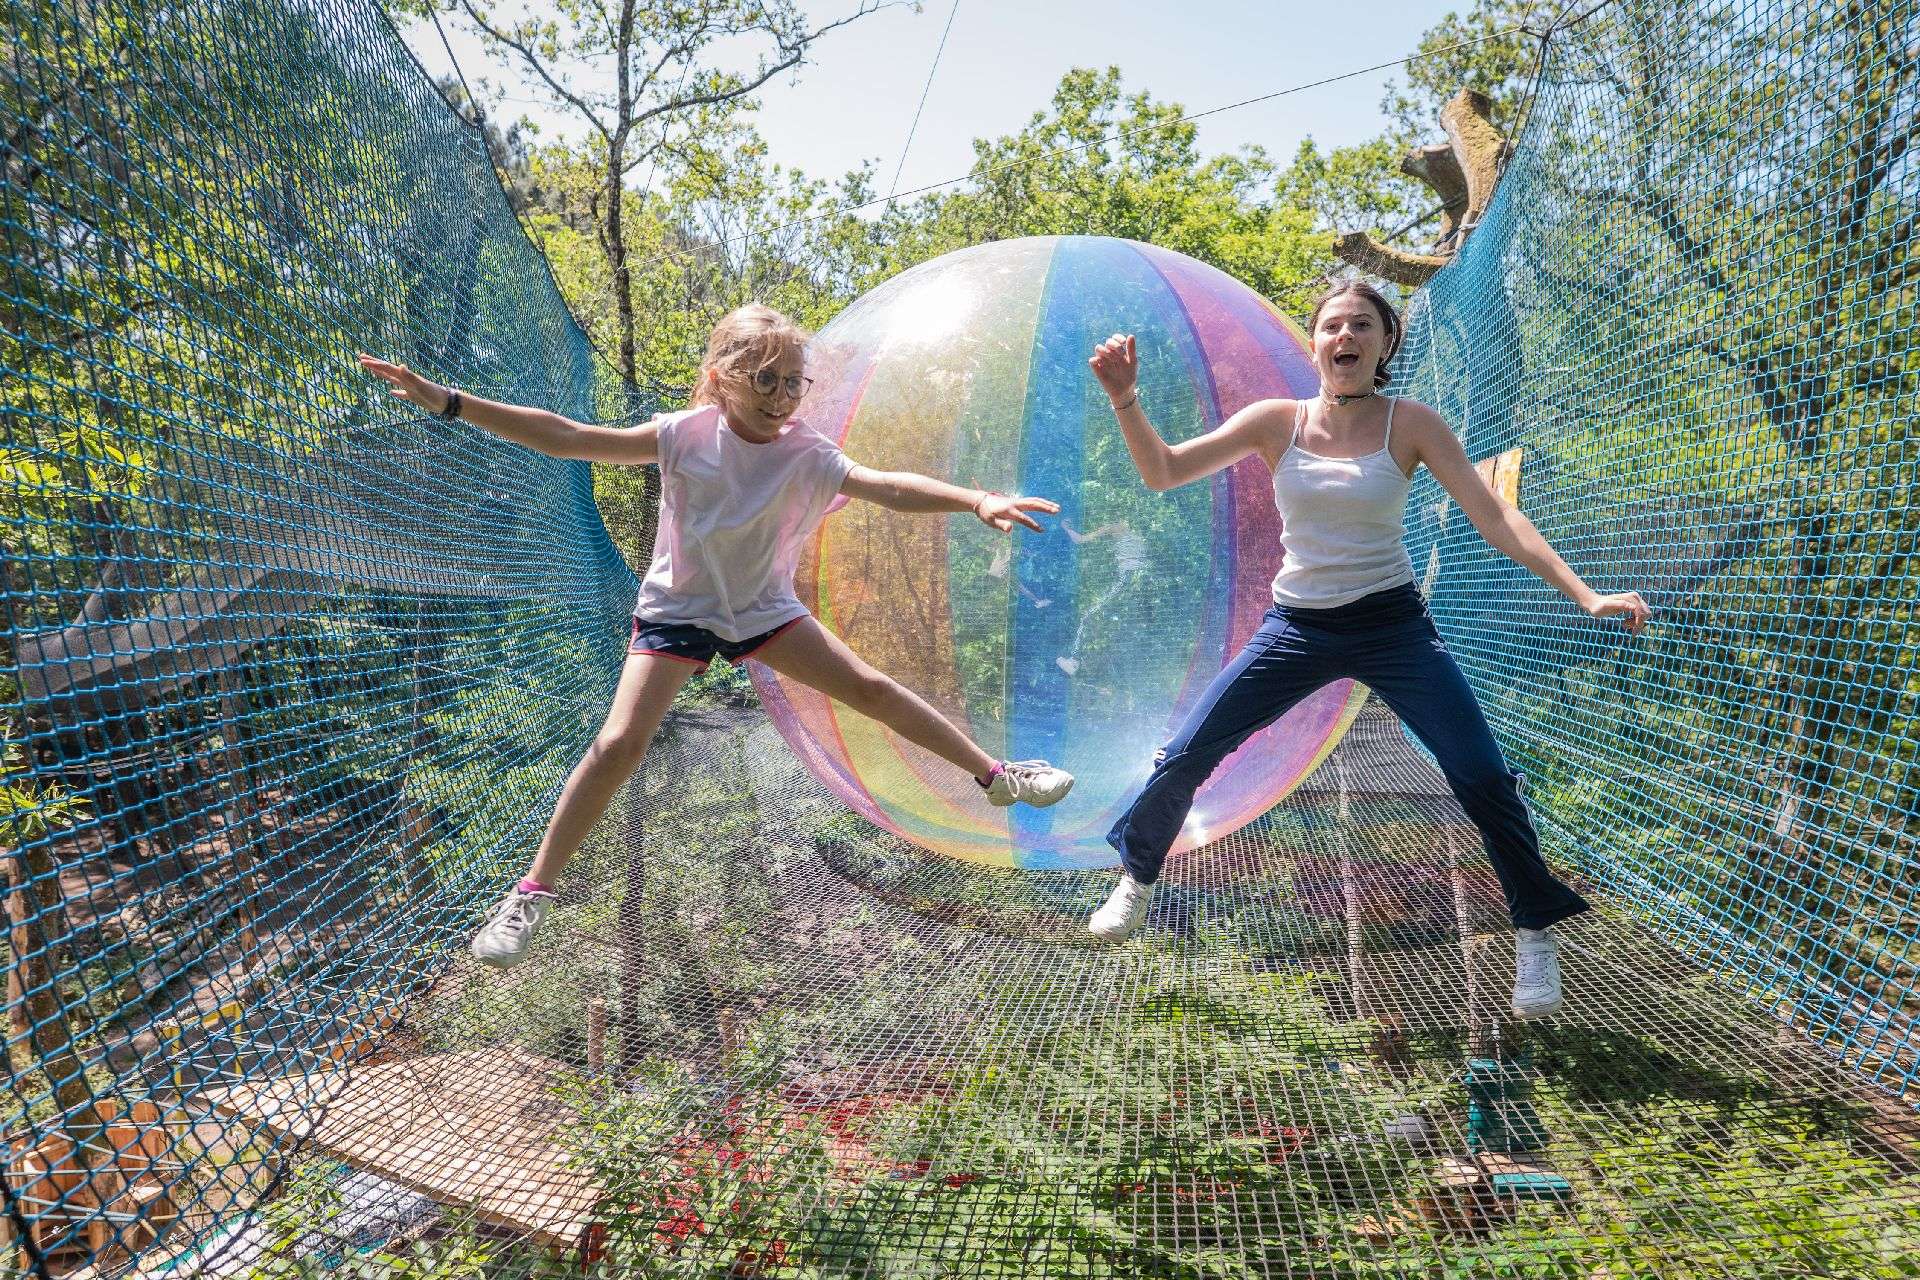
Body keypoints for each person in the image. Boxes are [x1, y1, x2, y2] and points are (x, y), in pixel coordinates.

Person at [359, 304, 1074, 969]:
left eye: (794, 381)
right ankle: (528, 896)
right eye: (765, 379)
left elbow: (886, 484)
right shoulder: (682, 435)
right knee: (618, 743)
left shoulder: (807, 452)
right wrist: (451, 402)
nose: (783, 395)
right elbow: (570, 438)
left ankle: (998, 776)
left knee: (869, 688)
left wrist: (976, 498)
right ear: (722, 379)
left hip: (763, 611)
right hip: (679, 612)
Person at [1082, 281, 1650, 1019]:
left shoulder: (1410, 424)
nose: (1343, 336)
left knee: (1479, 775)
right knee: (1188, 750)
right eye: (1330, 325)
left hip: (1392, 629)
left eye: (1361, 325)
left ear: (1384, 345)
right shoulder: (1274, 422)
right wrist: (1126, 399)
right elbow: (1163, 472)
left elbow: (1494, 514)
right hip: (1297, 627)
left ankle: (1535, 927)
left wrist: (1586, 594)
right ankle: (1136, 875)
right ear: (1314, 342)